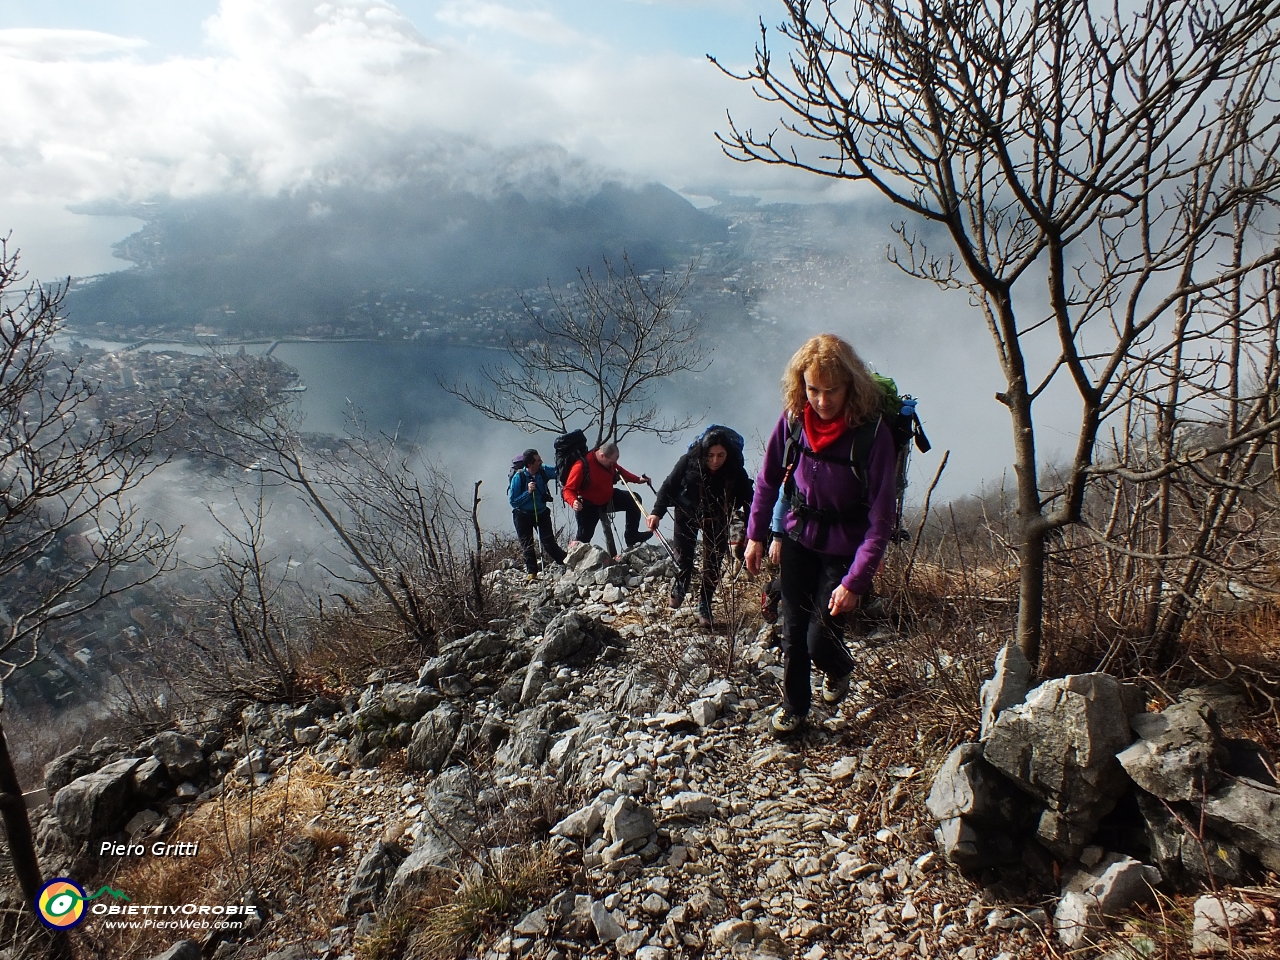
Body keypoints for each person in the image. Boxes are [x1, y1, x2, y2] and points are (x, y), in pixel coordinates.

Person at [744, 334, 897, 737]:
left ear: (851, 386)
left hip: (843, 548)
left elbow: (881, 518)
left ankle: (840, 668)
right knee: (793, 632)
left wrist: (856, 581)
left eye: (832, 391)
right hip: (797, 538)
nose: (823, 401)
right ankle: (794, 708)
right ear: (801, 385)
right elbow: (767, 479)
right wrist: (756, 534)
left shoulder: (871, 435)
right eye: (813, 389)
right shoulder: (794, 420)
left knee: (820, 641)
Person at [646, 427, 754, 626]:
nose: (715, 461)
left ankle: (705, 603)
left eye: (721, 455)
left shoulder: (735, 469)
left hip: (717, 518)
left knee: (713, 563)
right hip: (686, 513)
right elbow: (668, 486)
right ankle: (681, 583)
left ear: (728, 453)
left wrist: (752, 531)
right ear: (703, 453)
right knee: (682, 557)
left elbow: (749, 500)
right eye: (711, 455)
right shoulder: (688, 462)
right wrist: (656, 513)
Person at [561, 440, 653, 549]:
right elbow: (567, 490)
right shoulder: (581, 466)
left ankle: (631, 536)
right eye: (610, 462)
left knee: (634, 500)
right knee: (584, 538)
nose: (612, 465)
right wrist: (573, 501)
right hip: (588, 505)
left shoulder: (609, 463)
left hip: (607, 498)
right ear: (602, 455)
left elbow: (620, 471)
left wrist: (638, 479)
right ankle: (573, 559)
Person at [508, 448, 568, 578]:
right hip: (522, 515)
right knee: (527, 545)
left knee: (548, 543)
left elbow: (559, 473)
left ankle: (566, 562)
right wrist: (528, 493)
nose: (541, 461)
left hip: (541, 512)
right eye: (538, 460)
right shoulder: (519, 477)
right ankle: (532, 573)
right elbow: (513, 501)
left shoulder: (543, 470)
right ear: (530, 464)